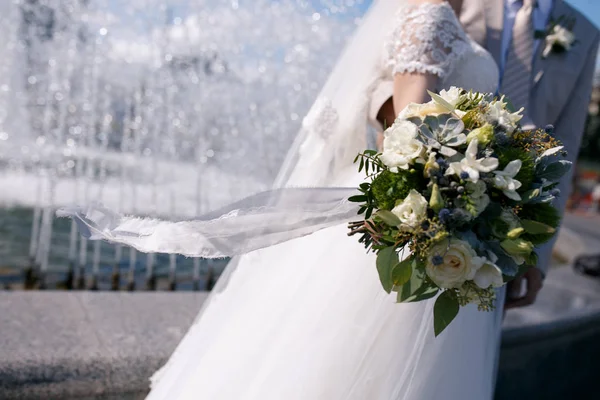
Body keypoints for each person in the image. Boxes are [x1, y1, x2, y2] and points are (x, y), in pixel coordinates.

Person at [57, 0, 594, 398]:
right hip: (415, 212)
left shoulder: (583, 31)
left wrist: (533, 254)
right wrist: (420, 151)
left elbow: (560, 157)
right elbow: (390, 89)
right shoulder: (440, 10)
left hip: (488, 235)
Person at [372, 0, 600, 309]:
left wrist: (539, 253)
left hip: (504, 231)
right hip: (422, 195)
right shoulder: (453, 2)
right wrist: (411, 150)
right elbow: (394, 72)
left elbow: (565, 145)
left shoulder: (585, 33)